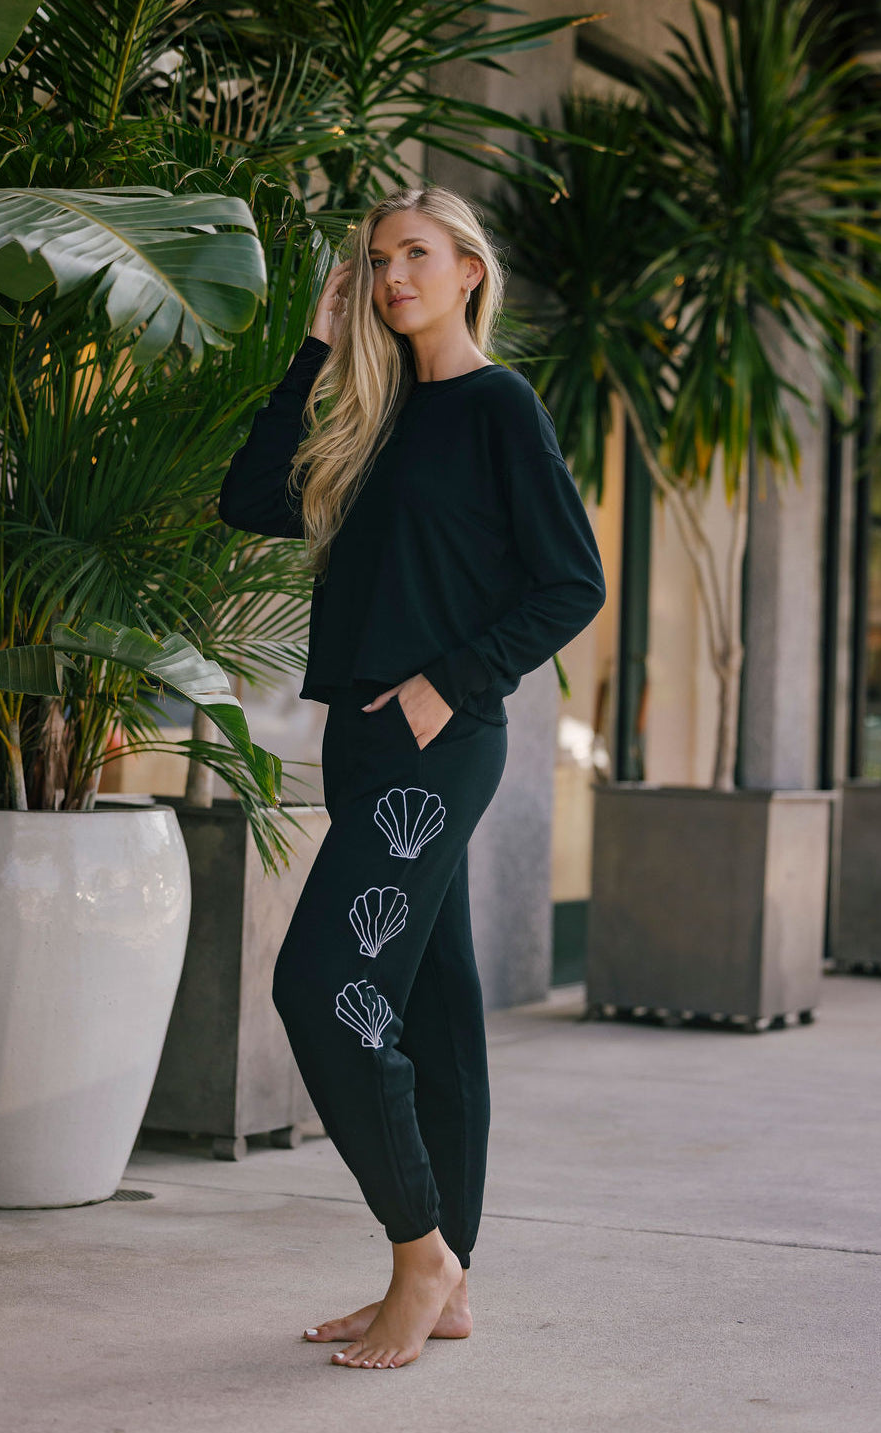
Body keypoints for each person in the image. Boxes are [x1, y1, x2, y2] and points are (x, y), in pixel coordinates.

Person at [218, 184, 605, 1370]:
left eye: (416, 256)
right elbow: (247, 498)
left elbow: (572, 578)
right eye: (378, 261)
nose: (394, 277)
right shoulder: (376, 415)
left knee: (323, 987)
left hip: (438, 743)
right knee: (432, 1010)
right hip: (368, 746)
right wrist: (317, 345)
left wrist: (450, 680)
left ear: (469, 270)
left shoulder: (499, 406)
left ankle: (419, 1248)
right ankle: (448, 1284)